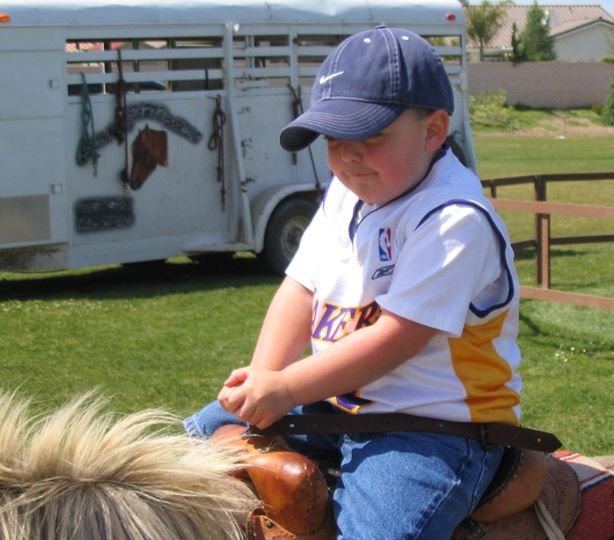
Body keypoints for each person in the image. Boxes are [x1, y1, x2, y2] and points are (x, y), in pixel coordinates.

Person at [185, 25, 522, 539]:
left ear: (434, 130)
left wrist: (287, 387)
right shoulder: (349, 194)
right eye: (334, 140)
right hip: (338, 407)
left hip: (432, 428)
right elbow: (300, 288)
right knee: (194, 443)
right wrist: (264, 378)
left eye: (370, 136)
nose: (348, 157)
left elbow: (398, 337)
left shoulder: (454, 219)